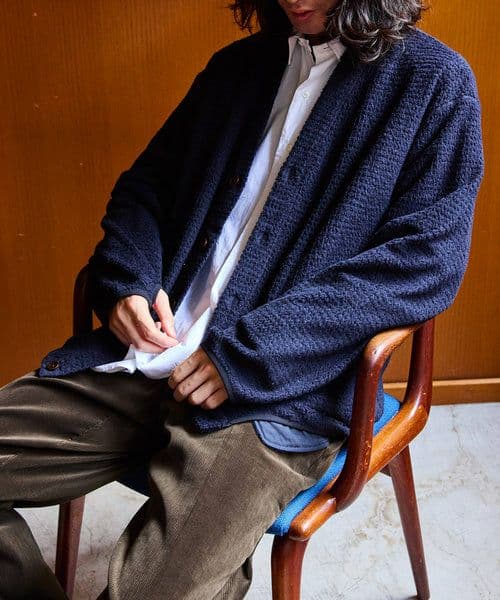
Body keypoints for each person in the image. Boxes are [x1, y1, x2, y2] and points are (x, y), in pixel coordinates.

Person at [0, 0, 484, 598]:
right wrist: (128, 281)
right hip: (150, 356)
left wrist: (249, 355)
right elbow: (145, 189)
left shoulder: (435, 84)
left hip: (278, 394)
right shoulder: (237, 69)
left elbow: (424, 262)